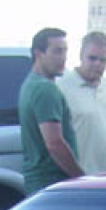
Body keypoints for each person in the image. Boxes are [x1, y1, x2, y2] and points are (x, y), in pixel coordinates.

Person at [18, 27, 83, 194]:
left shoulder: (30, 85)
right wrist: (80, 178)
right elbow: (54, 143)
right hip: (53, 183)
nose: (63, 58)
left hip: (39, 185)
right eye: (57, 52)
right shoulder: (45, 89)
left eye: (65, 51)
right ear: (39, 54)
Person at [57, 31, 106, 174]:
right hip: (76, 177)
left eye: (102, 60)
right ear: (81, 55)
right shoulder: (62, 88)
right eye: (92, 58)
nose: (97, 64)